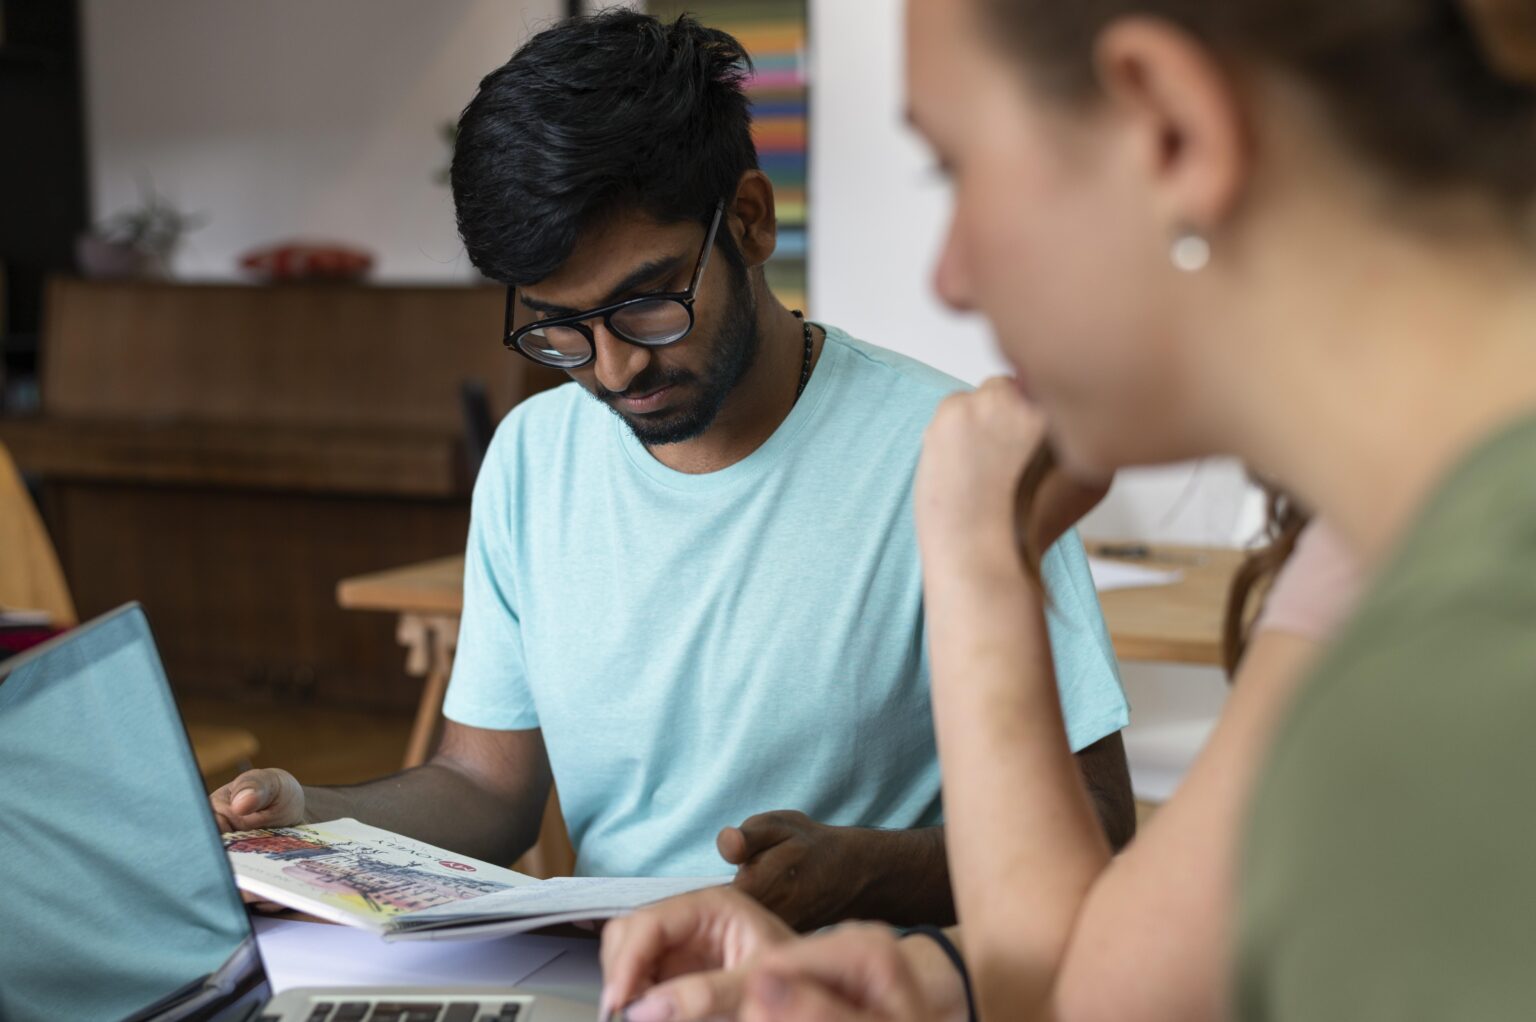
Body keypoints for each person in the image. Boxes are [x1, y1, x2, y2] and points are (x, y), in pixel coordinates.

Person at [600, 0, 1536, 1016]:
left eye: (954, 169)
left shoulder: (1470, 652)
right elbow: (1110, 988)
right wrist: (935, 975)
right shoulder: (1377, 548)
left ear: (1170, 127)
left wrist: (971, 553)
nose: (950, 277)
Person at [210, 10, 1135, 932]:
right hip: (608, 981)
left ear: (750, 221)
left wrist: (869, 872)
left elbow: (1098, 830)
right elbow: (485, 787)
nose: (613, 371)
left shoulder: (955, 452)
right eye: (558, 329)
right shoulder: (535, 458)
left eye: (647, 305)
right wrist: (313, 820)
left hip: (864, 987)